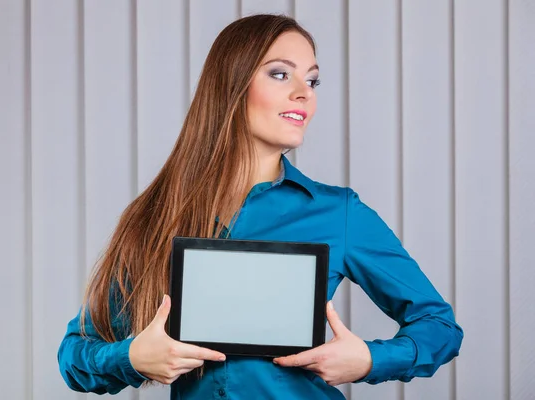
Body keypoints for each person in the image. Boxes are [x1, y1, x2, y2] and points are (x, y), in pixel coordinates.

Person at [57, 14, 463, 399]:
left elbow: (440, 327)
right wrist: (130, 358)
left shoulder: (338, 213)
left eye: (313, 80)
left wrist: (369, 360)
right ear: (231, 84)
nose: (304, 92)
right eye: (280, 73)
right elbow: (75, 355)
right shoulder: (156, 216)